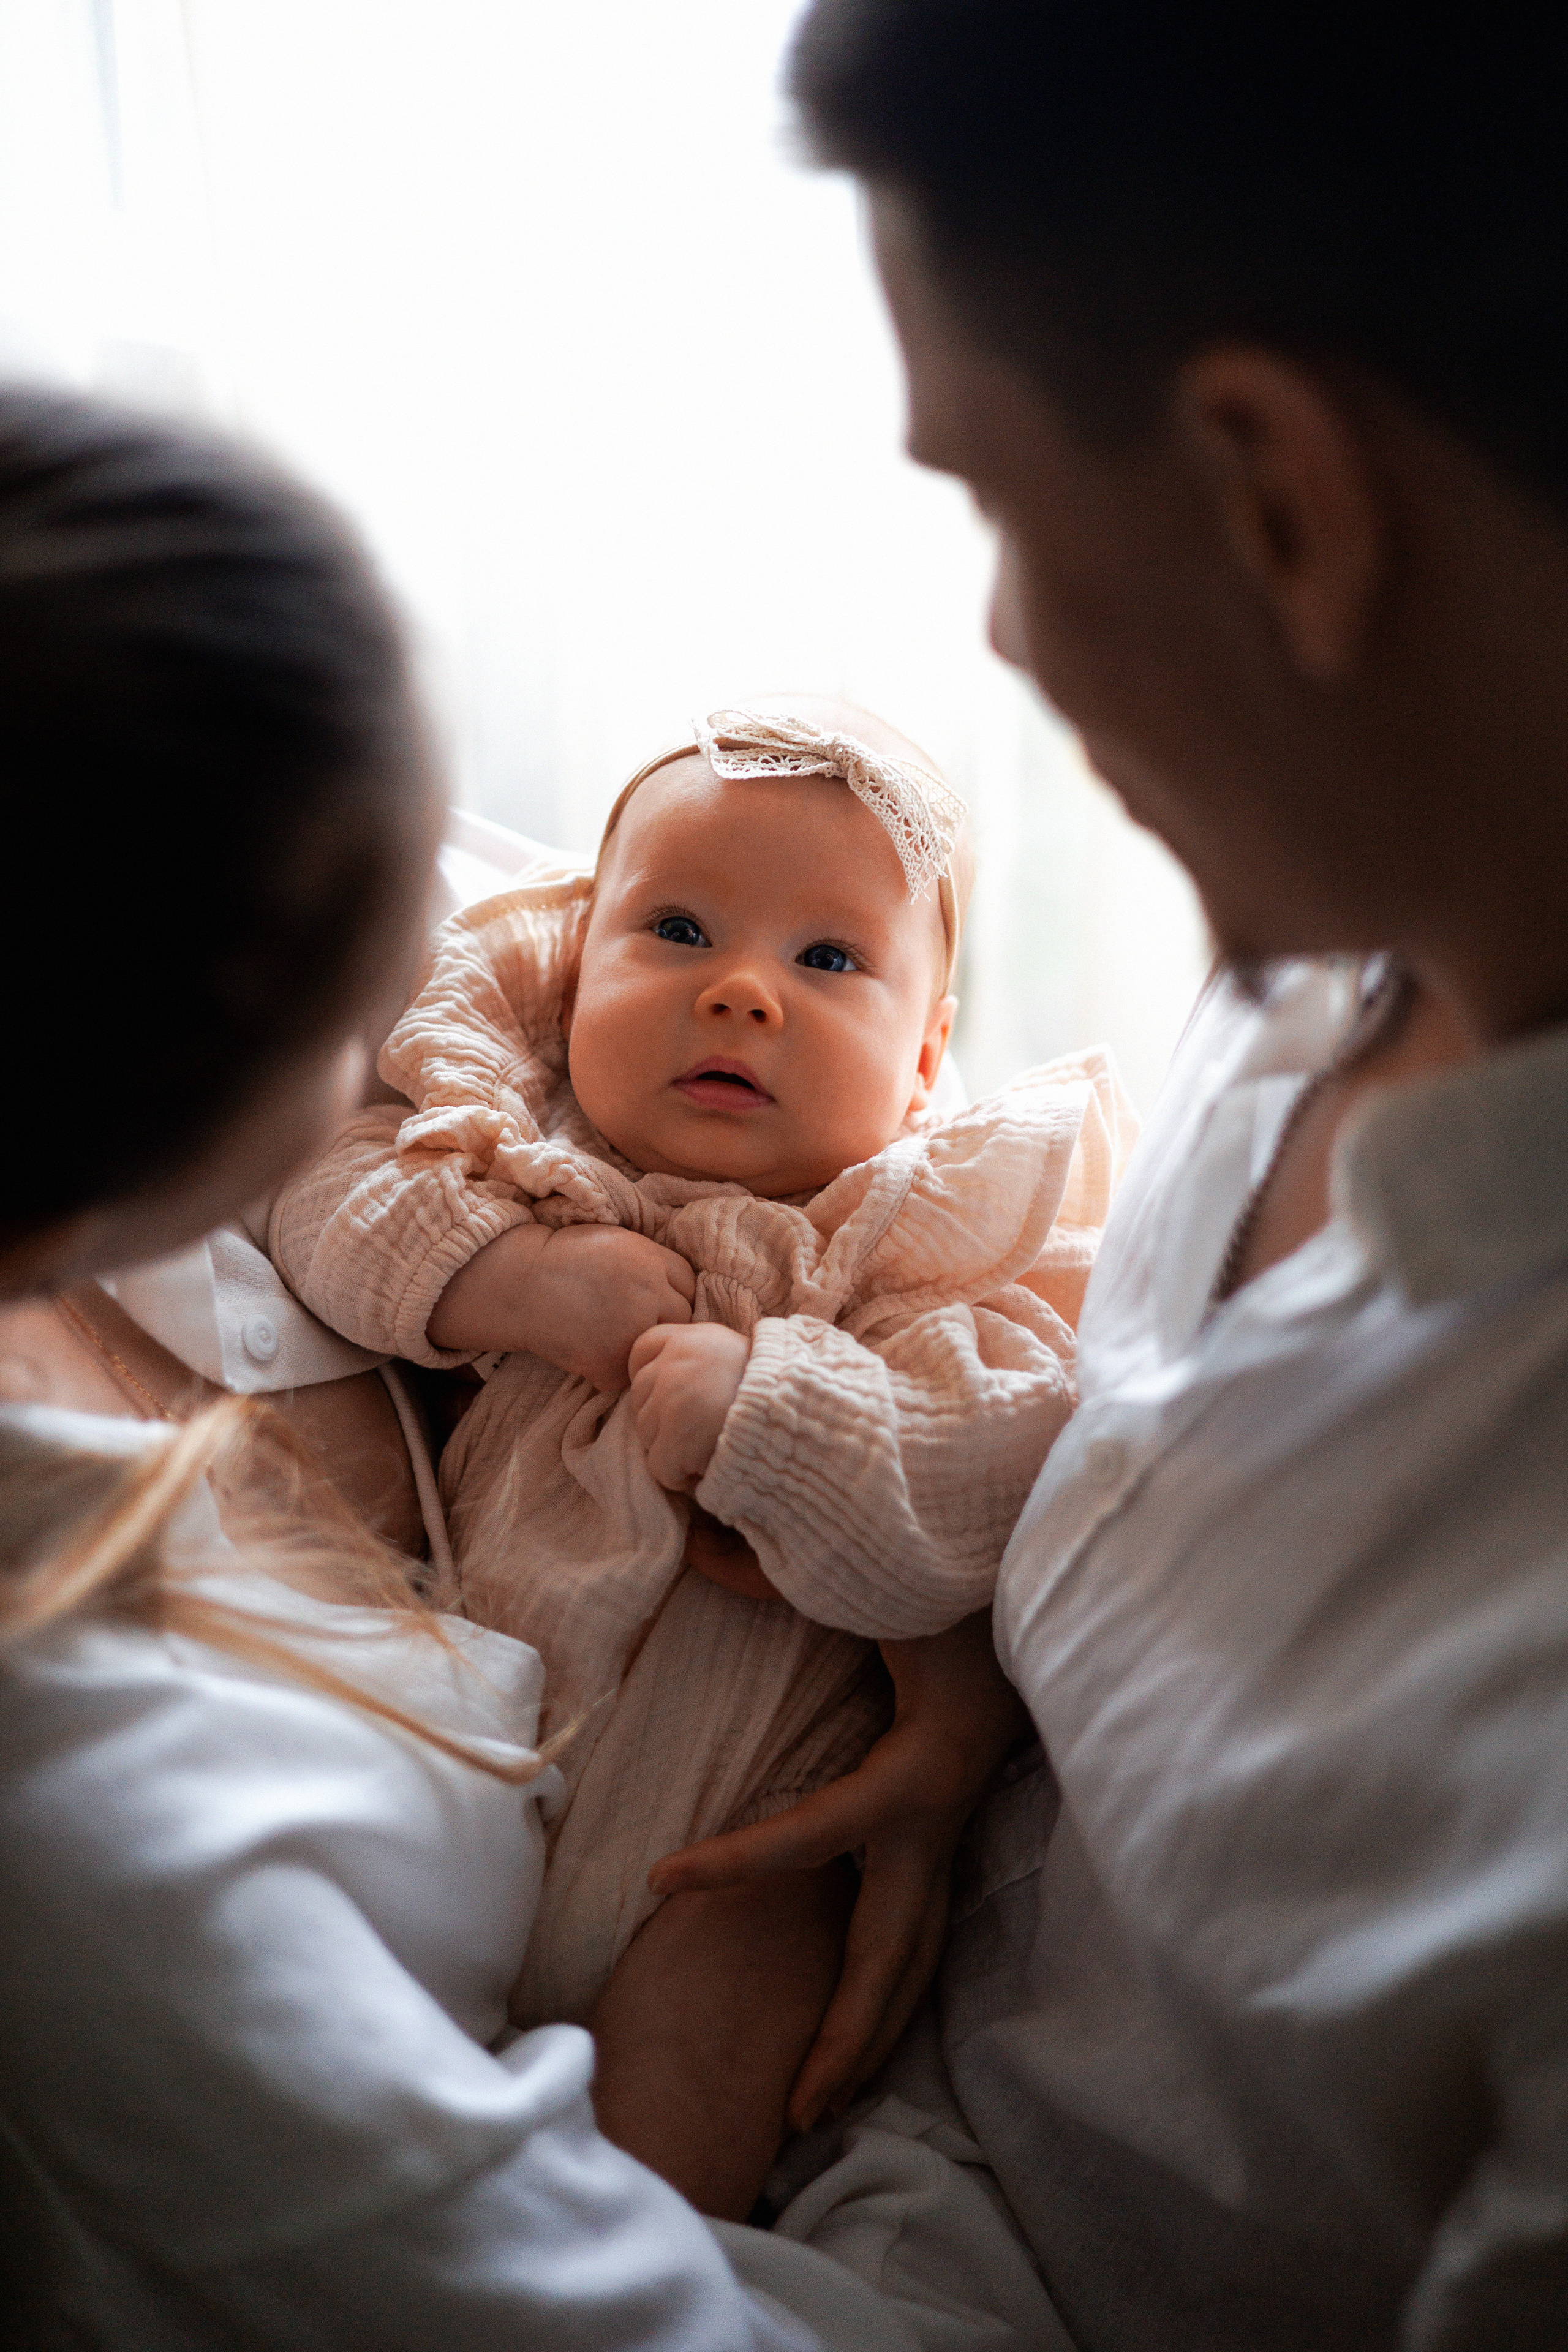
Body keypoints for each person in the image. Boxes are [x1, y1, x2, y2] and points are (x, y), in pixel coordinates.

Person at [640, 4, 1568, 2345]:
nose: (1000, 631)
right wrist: (993, 1699)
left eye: (991, 501)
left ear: (1279, 499)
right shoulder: (1336, 938)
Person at [0, 383, 959, 2352]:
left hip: (740, 1783)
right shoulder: (96, 1829)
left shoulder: (146, 1211)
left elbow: (983, 1418)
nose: (465, 981)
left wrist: (951, 1676)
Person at [270, 692, 1131, 2218]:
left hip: (738, 1845)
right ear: (575, 965)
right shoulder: (514, 1158)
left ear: (923, 1066)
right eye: (674, 930)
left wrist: (775, 1410)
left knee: (688, 2102)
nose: (741, 993)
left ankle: (624, 2273)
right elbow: (331, 1213)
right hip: (469, 1747)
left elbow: (984, 1480)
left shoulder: (911, 1261)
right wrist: (516, 1285)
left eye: (826, 960)